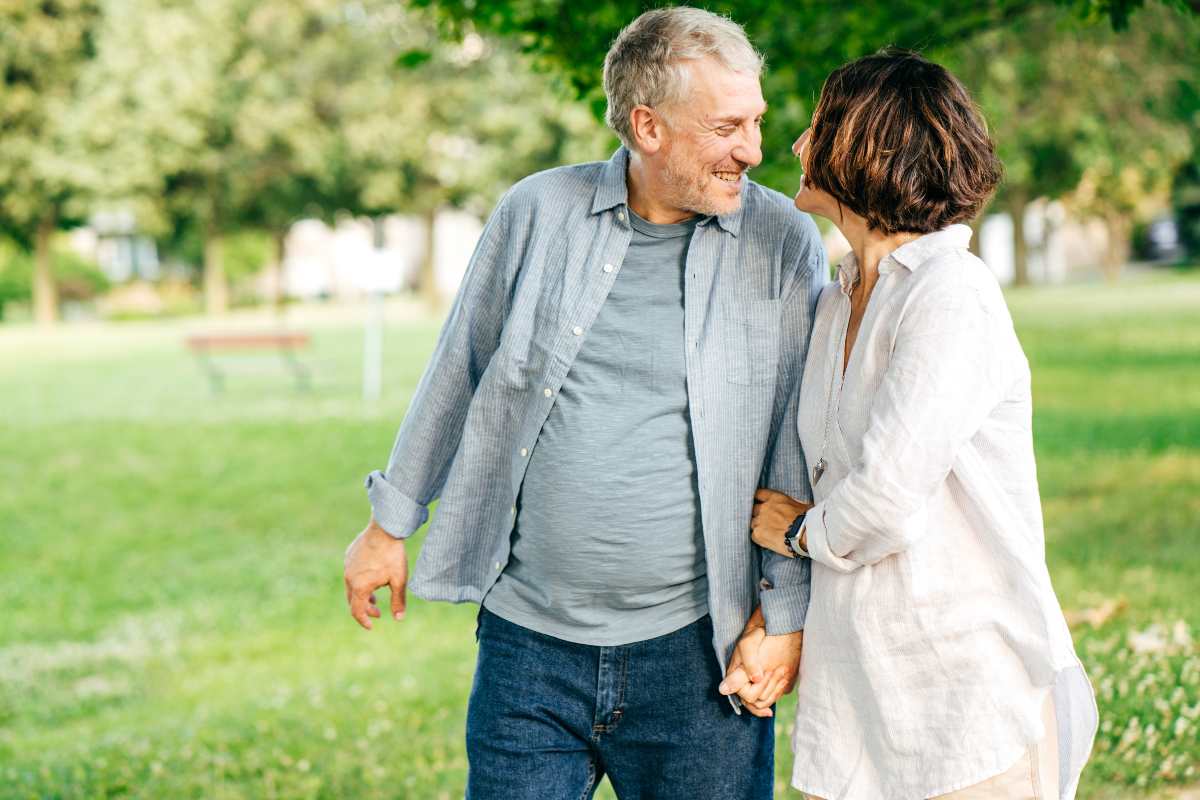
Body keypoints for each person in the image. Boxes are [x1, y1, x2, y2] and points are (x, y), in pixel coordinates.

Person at [342, 8, 827, 798]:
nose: (753, 149)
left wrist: (783, 615)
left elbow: (795, 442)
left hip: (701, 657)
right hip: (530, 650)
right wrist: (387, 525)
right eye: (727, 127)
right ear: (648, 127)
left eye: (756, 122)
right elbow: (460, 368)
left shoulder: (782, 240)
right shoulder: (537, 213)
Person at [743, 50, 1098, 799]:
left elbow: (884, 498)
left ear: (867, 145)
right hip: (863, 707)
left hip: (969, 705)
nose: (798, 144)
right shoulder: (839, 299)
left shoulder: (950, 294)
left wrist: (798, 531)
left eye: (819, 125)